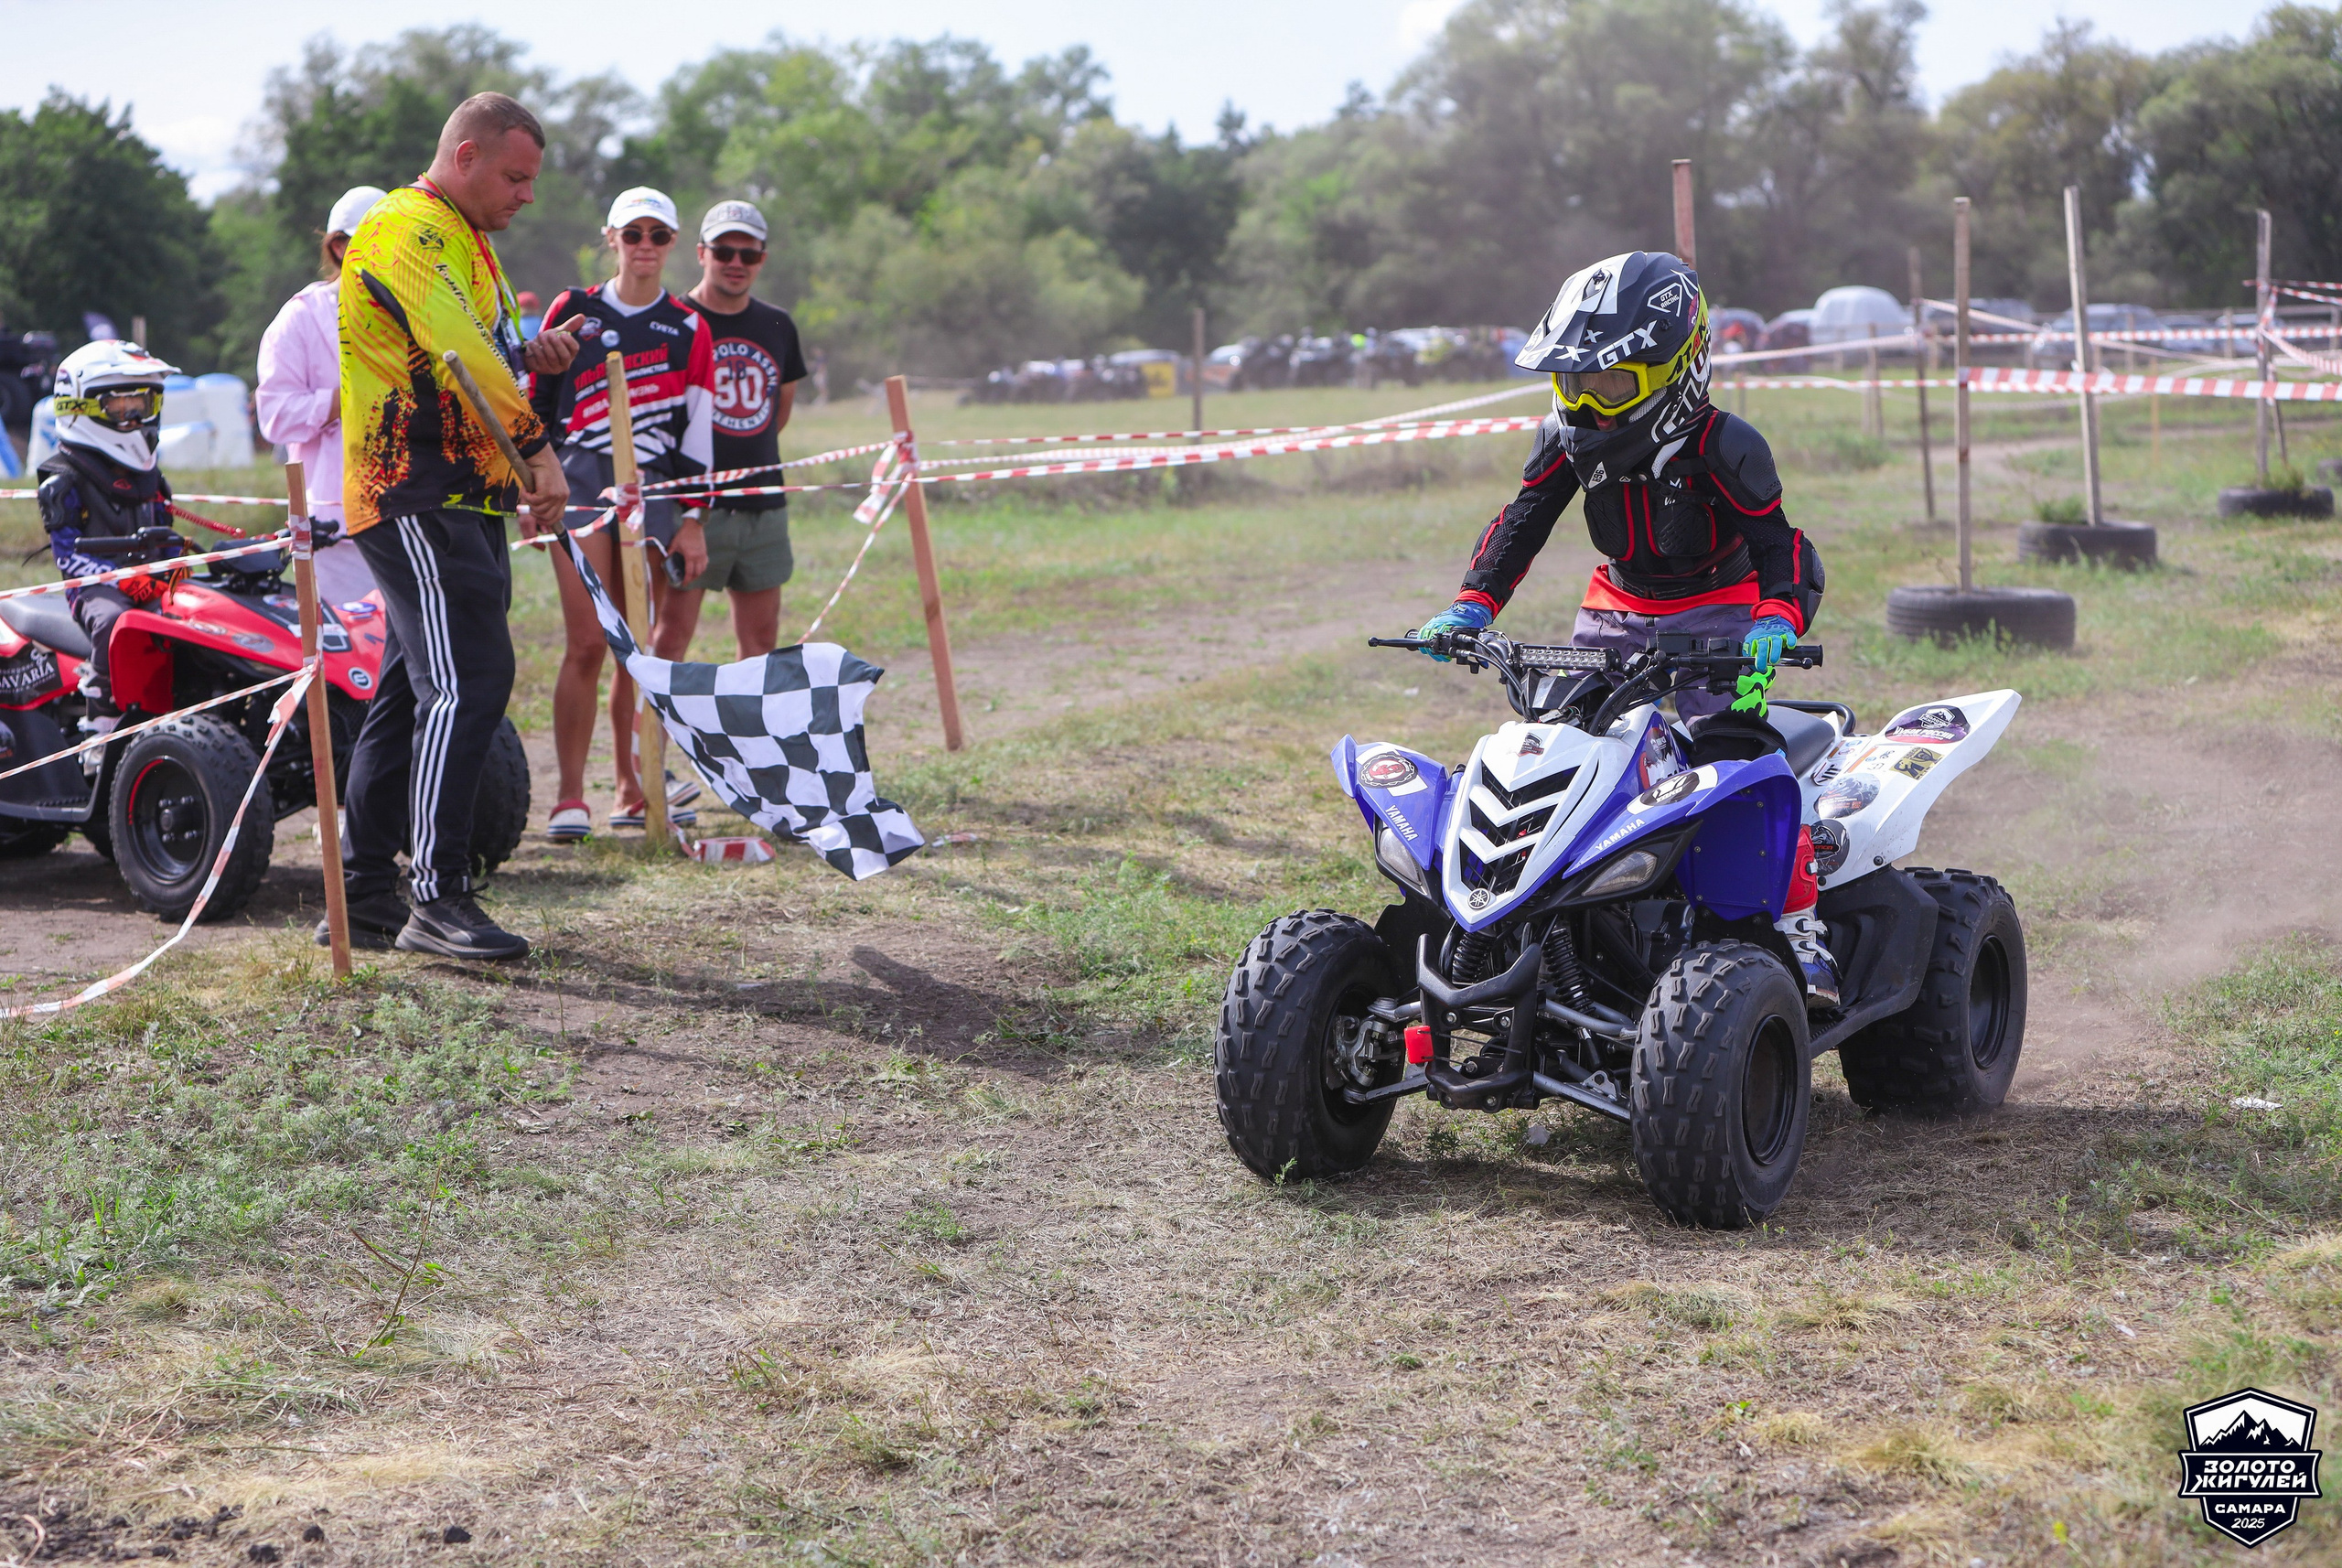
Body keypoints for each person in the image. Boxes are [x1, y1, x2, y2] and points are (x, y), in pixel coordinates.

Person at [1410, 250, 1840, 1008]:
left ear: (1679, 368)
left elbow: (1784, 547)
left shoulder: (1724, 443)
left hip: (1723, 611)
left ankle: (1803, 935)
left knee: (1739, 762)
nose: (1585, 402)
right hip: (1615, 607)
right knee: (1570, 746)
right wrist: (1474, 604)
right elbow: (1522, 523)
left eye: (1608, 382)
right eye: (1570, 382)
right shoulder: (1567, 436)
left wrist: (1776, 616)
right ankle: (1560, 918)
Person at [335, 91, 586, 961]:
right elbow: (458, 355)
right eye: (516, 177)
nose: (527, 195)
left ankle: (362, 893)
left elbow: (484, 354)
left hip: (462, 496)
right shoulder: (407, 228)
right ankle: (437, 899)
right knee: (470, 678)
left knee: (411, 691)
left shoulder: (474, 247)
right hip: (412, 489)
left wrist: (535, 360)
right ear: (467, 155)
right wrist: (539, 452)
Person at [530, 187, 716, 841]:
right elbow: (536, 403)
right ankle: (569, 796)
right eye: (632, 234)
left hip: (656, 489)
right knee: (587, 641)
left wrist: (693, 516)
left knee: (641, 648)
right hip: (578, 480)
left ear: (671, 244)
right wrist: (533, 486)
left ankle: (633, 787)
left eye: (657, 236)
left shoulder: (689, 326)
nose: (644, 247)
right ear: (610, 237)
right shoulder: (573, 309)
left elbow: (699, 430)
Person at [661, 199, 808, 671]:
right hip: (691, 509)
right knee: (670, 640)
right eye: (725, 251)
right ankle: (655, 746)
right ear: (702, 253)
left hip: (762, 505)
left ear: (763, 259)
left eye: (750, 254)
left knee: (762, 641)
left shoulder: (777, 323)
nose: (736, 264)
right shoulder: (674, 319)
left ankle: (749, 747)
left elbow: (776, 411)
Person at [35, 339, 189, 723]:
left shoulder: (149, 475)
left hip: (149, 580)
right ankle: (100, 728)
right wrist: (120, 581)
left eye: (143, 404)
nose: (135, 415)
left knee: (201, 609)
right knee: (113, 622)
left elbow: (165, 532)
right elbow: (66, 555)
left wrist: (176, 568)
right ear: (80, 406)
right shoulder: (63, 480)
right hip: (95, 590)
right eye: (121, 406)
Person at [255, 184, 385, 606]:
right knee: (346, 653)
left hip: (409, 512)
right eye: (372, 239)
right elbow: (274, 415)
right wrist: (346, 398)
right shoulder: (301, 318)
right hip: (335, 526)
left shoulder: (419, 311)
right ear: (340, 246)